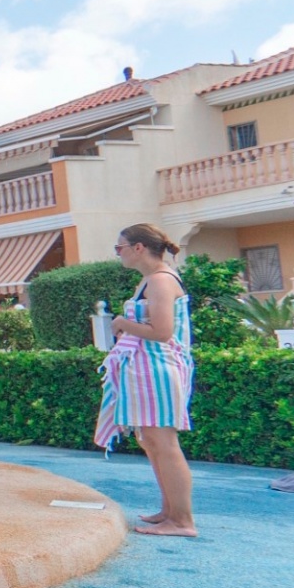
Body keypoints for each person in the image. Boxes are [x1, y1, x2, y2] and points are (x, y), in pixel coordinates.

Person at [97, 223, 198, 537]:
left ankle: (182, 520)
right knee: (152, 441)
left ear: (138, 248)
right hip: (147, 369)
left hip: (159, 369)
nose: (118, 253)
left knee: (164, 443)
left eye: (120, 247)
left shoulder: (160, 281)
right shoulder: (151, 280)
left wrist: (122, 323)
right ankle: (170, 511)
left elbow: (162, 332)